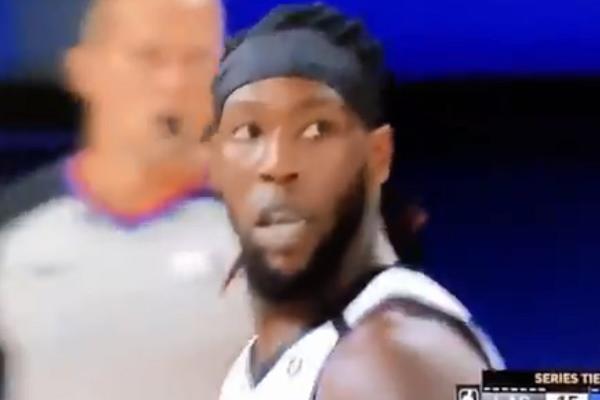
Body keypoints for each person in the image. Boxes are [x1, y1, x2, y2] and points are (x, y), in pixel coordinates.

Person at [208, 4, 505, 400]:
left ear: (379, 155)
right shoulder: (268, 360)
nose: (277, 164)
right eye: (249, 131)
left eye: (316, 129)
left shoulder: (387, 358)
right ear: (215, 164)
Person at [0, 0, 253, 399]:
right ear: (83, 71)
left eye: (196, 59)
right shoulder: (14, 229)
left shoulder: (279, 233)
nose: (174, 82)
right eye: (149, 57)